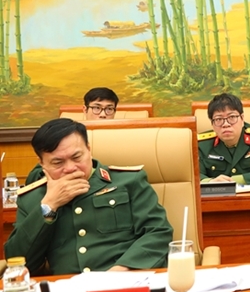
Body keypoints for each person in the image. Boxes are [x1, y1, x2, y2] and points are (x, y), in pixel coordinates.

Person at [5, 118, 173, 275]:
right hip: (66, 289)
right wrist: (49, 206)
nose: (70, 168)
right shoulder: (33, 198)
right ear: (42, 163)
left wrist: (121, 271)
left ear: (89, 149)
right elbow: (18, 263)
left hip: (127, 281)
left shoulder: (128, 181)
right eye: (58, 163)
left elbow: (158, 232)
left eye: (77, 157)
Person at [25, 87, 122, 186]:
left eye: (109, 109)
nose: (103, 114)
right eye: (97, 108)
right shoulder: (70, 135)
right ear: (85, 109)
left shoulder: (125, 137)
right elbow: (36, 175)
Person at [197, 93, 250, 185]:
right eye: (219, 119)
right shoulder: (202, 144)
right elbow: (194, 176)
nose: (226, 124)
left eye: (232, 117)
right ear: (212, 124)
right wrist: (210, 182)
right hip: (219, 194)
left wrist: (237, 180)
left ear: (242, 119)